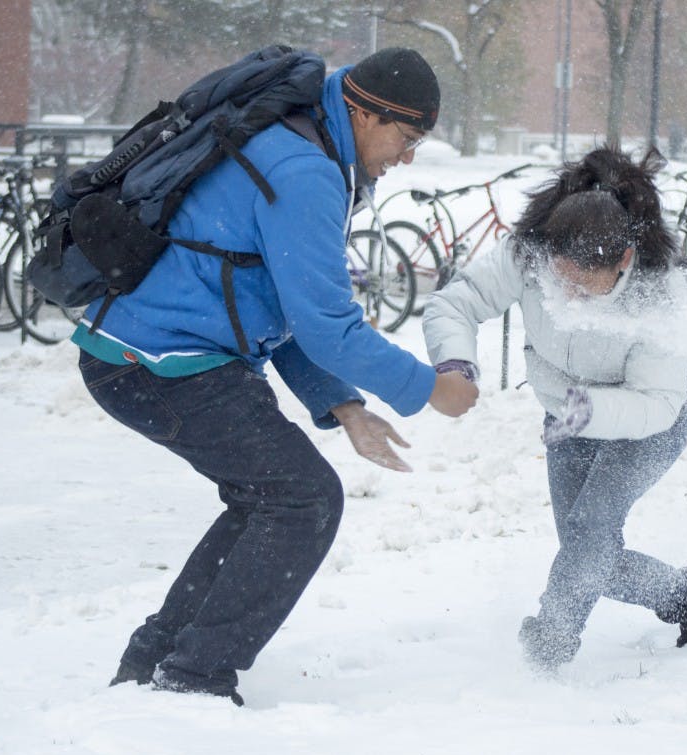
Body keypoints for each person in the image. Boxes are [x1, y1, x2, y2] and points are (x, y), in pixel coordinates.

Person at [77, 47, 478, 705]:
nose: (407, 157)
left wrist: (344, 406)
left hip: (146, 352)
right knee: (303, 499)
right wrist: (430, 388)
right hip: (158, 361)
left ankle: (157, 664)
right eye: (406, 139)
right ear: (362, 111)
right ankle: (193, 676)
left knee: (272, 495)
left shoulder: (298, 141)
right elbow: (326, 325)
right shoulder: (305, 170)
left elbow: (281, 305)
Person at [423, 145, 687, 671]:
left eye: (583, 289)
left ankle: (548, 644)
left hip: (652, 419)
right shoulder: (529, 255)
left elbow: (657, 403)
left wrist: (587, 407)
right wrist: (456, 362)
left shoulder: (659, 296)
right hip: (568, 413)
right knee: (585, 550)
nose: (565, 299)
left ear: (624, 261)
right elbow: (456, 303)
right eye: (559, 280)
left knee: (590, 535)